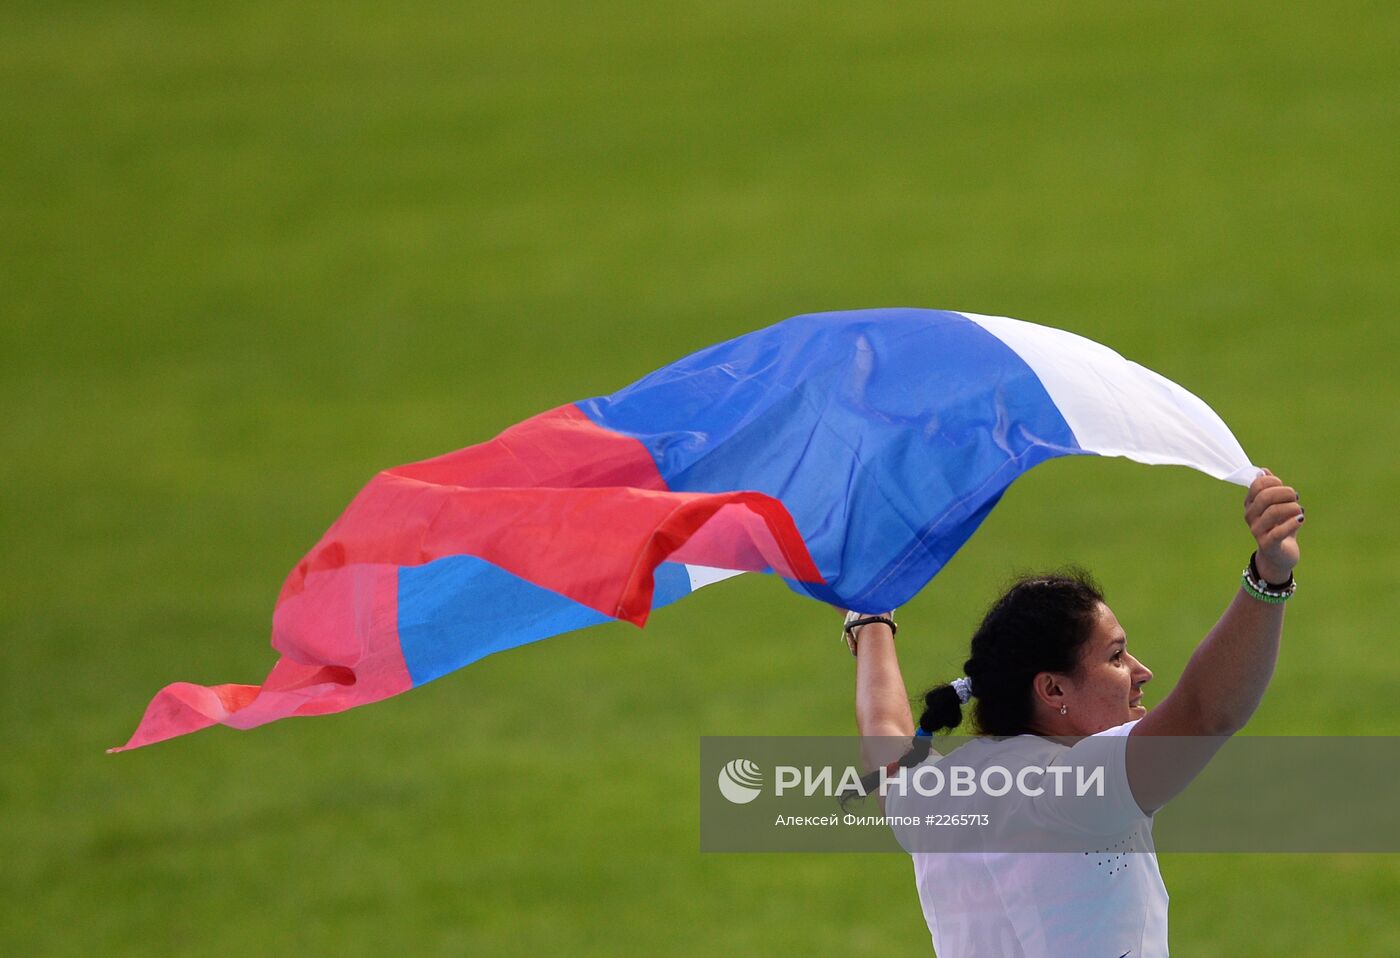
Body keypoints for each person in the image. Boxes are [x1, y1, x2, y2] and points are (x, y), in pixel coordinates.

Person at [846, 470, 1303, 957]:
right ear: (1052, 688)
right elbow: (1205, 713)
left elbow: (886, 732)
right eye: (1115, 656)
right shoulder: (1072, 790)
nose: (1141, 671)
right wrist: (1267, 578)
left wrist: (870, 619)